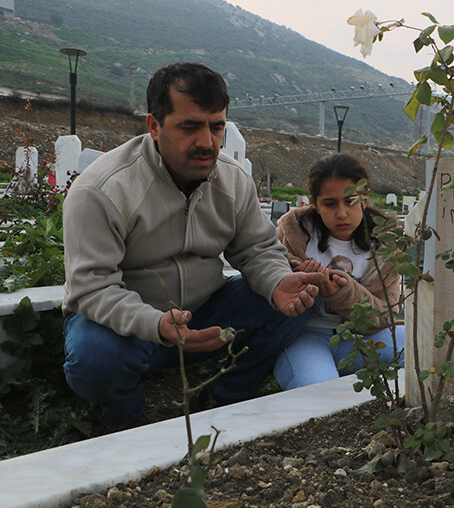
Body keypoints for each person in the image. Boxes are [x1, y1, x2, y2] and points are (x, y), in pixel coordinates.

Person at [62, 62, 322, 431]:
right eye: (190, 126)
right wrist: (156, 324)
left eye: (216, 126)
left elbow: (257, 250)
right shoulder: (102, 190)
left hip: (204, 315)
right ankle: (125, 420)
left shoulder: (232, 180)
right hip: (130, 327)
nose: (207, 141)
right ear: (154, 126)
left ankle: (225, 399)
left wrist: (279, 281)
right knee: (95, 357)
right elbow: (91, 288)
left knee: (294, 300)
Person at [273, 153, 404, 390]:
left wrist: (342, 294)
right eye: (330, 204)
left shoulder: (384, 244)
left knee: (425, 350)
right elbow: (268, 275)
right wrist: (297, 274)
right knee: (321, 395)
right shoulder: (293, 233)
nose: (342, 213)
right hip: (306, 338)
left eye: (350, 201)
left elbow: (387, 314)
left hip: (363, 339)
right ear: (314, 202)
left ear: (365, 197)